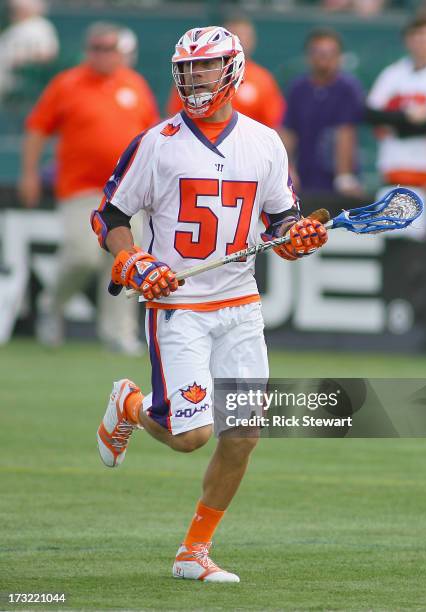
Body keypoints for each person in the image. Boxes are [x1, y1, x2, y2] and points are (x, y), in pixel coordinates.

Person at [92, 26, 327, 582]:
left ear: (234, 69)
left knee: (243, 433)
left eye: (206, 67)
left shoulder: (265, 142)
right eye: (187, 68)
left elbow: (283, 219)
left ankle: (192, 552)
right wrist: (131, 259)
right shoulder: (157, 141)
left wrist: (296, 238)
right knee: (191, 436)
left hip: (241, 305)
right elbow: (111, 215)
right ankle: (129, 403)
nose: (195, 78)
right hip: (180, 306)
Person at [20, 22, 160, 353]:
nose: (102, 54)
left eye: (109, 48)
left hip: (126, 191)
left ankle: (119, 332)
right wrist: (29, 173)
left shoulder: (134, 85)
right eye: (96, 48)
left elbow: (153, 139)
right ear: (88, 50)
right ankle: (52, 306)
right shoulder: (67, 84)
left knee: (127, 258)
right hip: (81, 188)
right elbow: (37, 128)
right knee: (82, 256)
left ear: (120, 52)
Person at [365, 12, 426, 194]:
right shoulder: (393, 72)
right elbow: (370, 114)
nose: (421, 42)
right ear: (407, 40)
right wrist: (407, 116)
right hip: (393, 166)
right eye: (416, 36)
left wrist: (395, 125)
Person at [280, 28, 365, 197]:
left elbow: (346, 132)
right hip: (304, 175)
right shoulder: (298, 88)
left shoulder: (348, 88)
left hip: (335, 179)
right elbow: (289, 131)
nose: (324, 57)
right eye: (318, 52)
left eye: (330, 53)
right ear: (308, 56)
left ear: (339, 56)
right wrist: (286, 169)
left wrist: (344, 176)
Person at [165, 16, 285, 129]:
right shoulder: (191, 78)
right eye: (235, 34)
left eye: (245, 35)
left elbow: (273, 122)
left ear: (253, 40)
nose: (241, 40)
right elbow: (175, 117)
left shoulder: (262, 79)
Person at [0, 0, 59, 101]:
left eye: (17, 9)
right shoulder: (16, 27)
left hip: (17, 81)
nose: (13, 13)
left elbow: (47, 54)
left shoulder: (40, 26)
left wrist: (22, 62)